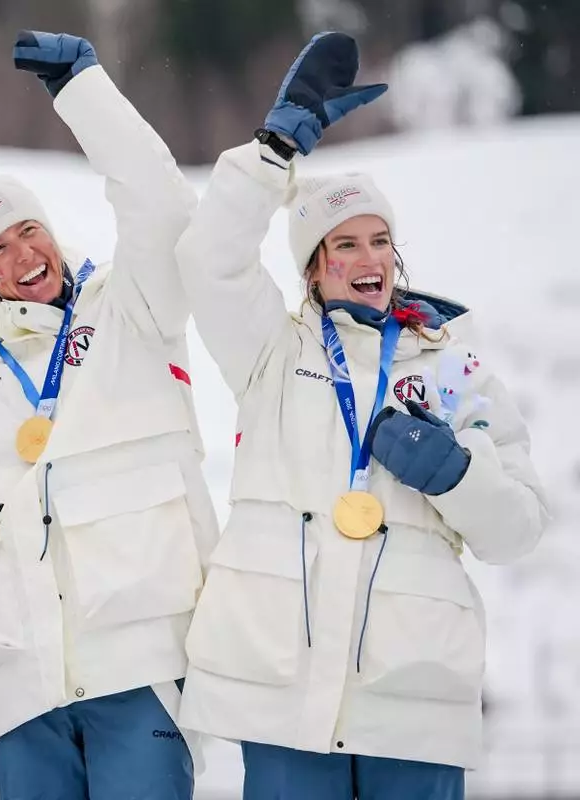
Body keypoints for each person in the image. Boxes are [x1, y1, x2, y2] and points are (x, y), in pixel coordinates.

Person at [172, 32, 550, 800]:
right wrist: (274, 149)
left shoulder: (455, 366)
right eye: (343, 244)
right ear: (313, 268)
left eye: (380, 240)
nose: (368, 256)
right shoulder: (270, 352)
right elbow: (208, 260)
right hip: (280, 689)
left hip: (413, 694)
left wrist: (456, 474)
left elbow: (518, 531)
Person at [0, 30, 220, 800]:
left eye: (29, 229)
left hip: (139, 660)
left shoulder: (132, 307)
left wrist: (84, 91)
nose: (22, 253)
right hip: (23, 678)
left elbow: (162, 205)